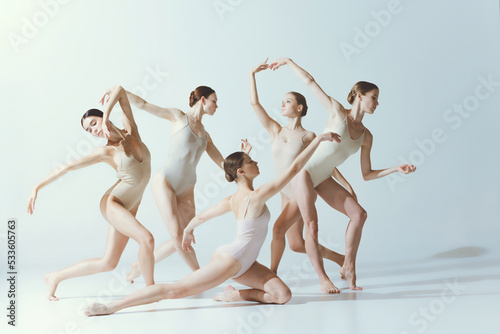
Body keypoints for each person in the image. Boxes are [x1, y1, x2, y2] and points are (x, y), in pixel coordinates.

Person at [85, 131, 340, 316]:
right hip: (230, 260)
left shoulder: (234, 198)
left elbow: (201, 216)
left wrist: (188, 230)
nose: (256, 163)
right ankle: (110, 307)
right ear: (241, 172)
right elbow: (295, 167)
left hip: (247, 263)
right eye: (251, 162)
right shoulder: (256, 195)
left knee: (283, 296)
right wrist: (317, 140)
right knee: (176, 290)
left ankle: (235, 294)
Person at [268, 58, 416, 292]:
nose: (377, 103)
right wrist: (288, 62)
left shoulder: (367, 136)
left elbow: (367, 174)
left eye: (377, 99)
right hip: (304, 174)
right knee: (311, 227)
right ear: (360, 95)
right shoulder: (337, 113)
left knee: (359, 214)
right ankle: (323, 279)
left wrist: (395, 169)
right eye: (374, 97)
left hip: (323, 178)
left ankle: (348, 265)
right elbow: (310, 82)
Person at [27, 86, 155, 300]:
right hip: (113, 203)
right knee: (147, 239)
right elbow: (66, 167)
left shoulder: (131, 131)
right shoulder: (106, 151)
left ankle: (55, 277)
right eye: (89, 130)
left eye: (94, 123)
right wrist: (36, 188)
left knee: (108, 262)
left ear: (103, 116)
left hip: (131, 204)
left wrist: (106, 114)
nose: (94, 130)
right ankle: (152, 291)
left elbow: (121, 92)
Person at [121, 86, 247, 282]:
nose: (217, 106)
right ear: (203, 100)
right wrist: (121, 92)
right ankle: (201, 278)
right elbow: (144, 105)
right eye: (215, 101)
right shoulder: (178, 117)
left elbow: (221, 163)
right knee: (178, 234)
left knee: (184, 236)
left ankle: (139, 268)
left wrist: (242, 159)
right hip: (166, 182)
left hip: (187, 188)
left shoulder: (205, 135)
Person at [249, 58, 352, 274]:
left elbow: (325, 165)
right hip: (284, 194)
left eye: (287, 101)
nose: (282, 104)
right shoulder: (275, 130)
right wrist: (252, 75)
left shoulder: (310, 136)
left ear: (299, 107)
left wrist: (346, 185)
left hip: (301, 190)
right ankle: (340, 259)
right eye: (283, 101)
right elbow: (255, 104)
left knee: (277, 229)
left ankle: (271, 274)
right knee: (295, 244)